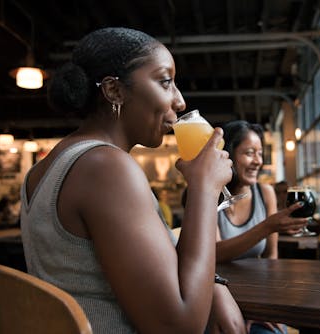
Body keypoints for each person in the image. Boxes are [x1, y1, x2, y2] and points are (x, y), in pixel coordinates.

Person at [20, 27, 246, 333]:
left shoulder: (45, 168)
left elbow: (147, 262)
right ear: (114, 91)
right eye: (166, 81)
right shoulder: (105, 167)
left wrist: (214, 282)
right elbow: (180, 327)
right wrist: (204, 190)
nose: (179, 101)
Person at [215, 120, 310, 334]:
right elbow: (213, 253)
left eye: (260, 153)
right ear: (228, 154)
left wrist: (264, 308)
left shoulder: (265, 193)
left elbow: (271, 259)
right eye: (249, 153)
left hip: (257, 297)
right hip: (218, 298)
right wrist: (267, 227)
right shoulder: (209, 193)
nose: (258, 161)